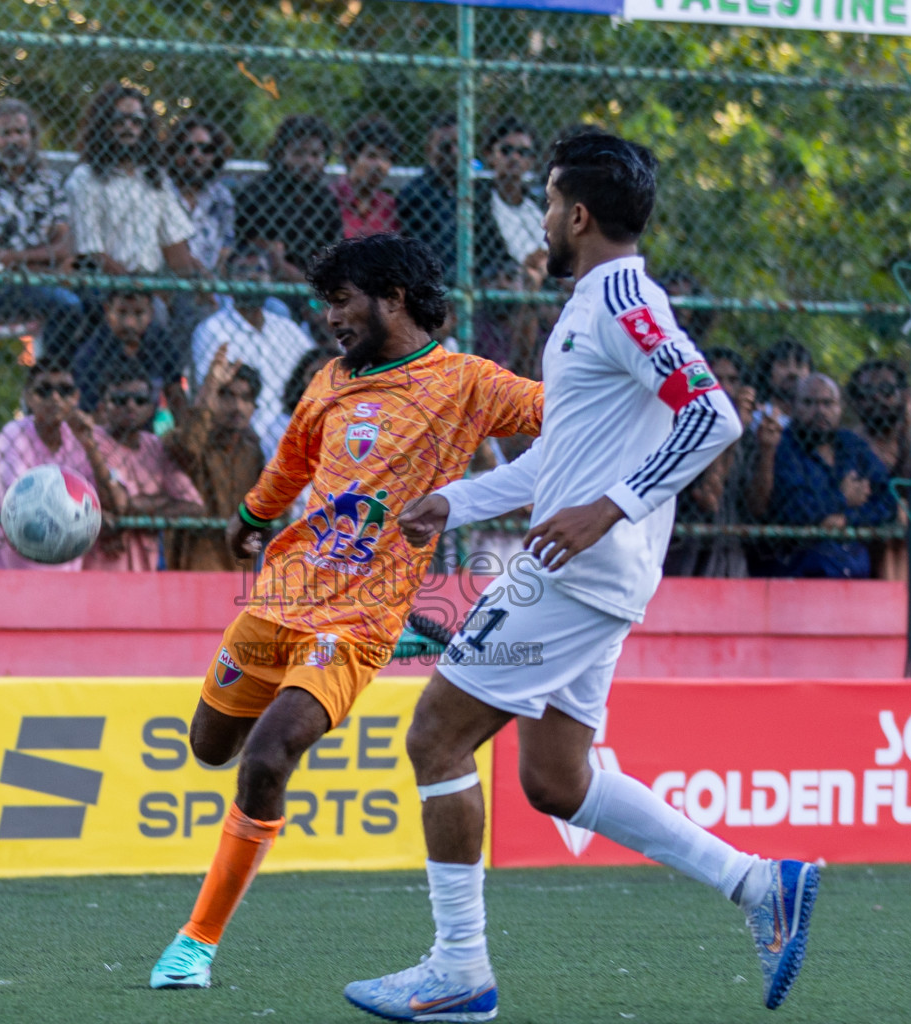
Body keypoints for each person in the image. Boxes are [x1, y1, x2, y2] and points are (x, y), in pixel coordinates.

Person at [345, 132, 814, 1022]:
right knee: (557, 779)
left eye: (551, 203)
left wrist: (612, 505)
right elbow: (558, 466)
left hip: (572, 571)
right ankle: (760, 885)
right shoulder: (596, 307)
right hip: (590, 570)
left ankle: (458, 970)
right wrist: (455, 498)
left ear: (579, 214)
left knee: (435, 736)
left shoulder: (622, 299)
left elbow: (711, 417)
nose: (544, 219)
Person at [148, 234, 544, 992]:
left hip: (358, 621)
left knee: (268, 758)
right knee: (210, 747)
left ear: (391, 297)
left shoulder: (465, 382)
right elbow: (294, 457)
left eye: (341, 300)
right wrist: (253, 514)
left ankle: (195, 944)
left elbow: (560, 415)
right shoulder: (330, 379)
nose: (330, 317)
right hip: (277, 600)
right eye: (326, 302)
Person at [0, 99, 83, 359]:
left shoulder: (50, 184)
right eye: (6, 133)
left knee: (101, 301)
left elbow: (65, 247)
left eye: (20, 132)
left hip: (49, 279)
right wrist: (46, 262)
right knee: (67, 306)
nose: (14, 140)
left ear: (32, 137)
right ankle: (49, 378)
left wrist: (15, 258)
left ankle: (82, 389)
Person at [0, 359, 127, 571]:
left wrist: (90, 444)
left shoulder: (83, 436)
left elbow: (117, 503)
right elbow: (24, 506)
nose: (55, 398)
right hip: (9, 570)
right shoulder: (13, 434)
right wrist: (96, 518)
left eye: (64, 391)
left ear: (76, 397)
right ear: (29, 397)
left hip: (65, 573)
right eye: (44, 390)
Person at [748, 373, 897, 578]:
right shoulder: (784, 447)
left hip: (855, 572)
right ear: (793, 408)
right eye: (809, 403)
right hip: (800, 570)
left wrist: (846, 518)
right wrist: (842, 497)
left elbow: (888, 500)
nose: (820, 411)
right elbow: (793, 510)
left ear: (840, 408)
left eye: (828, 403)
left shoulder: (852, 445)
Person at [189, 246, 317, 456]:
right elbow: (212, 394)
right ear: (229, 280)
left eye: (259, 269)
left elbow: (316, 374)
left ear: (270, 278)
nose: (252, 277)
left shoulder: (286, 328)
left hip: (292, 435)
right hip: (239, 438)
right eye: (242, 270)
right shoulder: (212, 329)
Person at [66, 82, 199, 281]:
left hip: (150, 282)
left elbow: (174, 245)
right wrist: (134, 287)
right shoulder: (85, 178)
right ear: (104, 125)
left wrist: (200, 284)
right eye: (119, 121)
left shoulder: (155, 179)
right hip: (101, 283)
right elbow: (91, 251)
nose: (128, 127)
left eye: (136, 122)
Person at [82, 372, 204, 572]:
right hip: (99, 569)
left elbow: (194, 506)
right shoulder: (90, 441)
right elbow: (117, 503)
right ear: (103, 406)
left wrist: (133, 514)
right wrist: (161, 502)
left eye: (140, 400)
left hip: (145, 569)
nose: (131, 406)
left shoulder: (155, 446)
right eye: (120, 400)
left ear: (150, 408)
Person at [163, 346, 268, 572]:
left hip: (240, 568)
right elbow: (188, 448)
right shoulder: (192, 440)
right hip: (195, 566)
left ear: (254, 406)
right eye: (226, 395)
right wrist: (211, 386)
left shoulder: (252, 452)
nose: (237, 407)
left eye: (245, 398)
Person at [663, 346, 754, 577]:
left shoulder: (752, 434)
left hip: (732, 546)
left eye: (732, 380)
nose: (725, 387)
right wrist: (728, 436)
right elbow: (708, 498)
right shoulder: (682, 425)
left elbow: (758, 503)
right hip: (689, 547)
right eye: (716, 378)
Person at [395, 112, 508, 281]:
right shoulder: (415, 194)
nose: (454, 152)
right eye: (446, 146)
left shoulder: (476, 192)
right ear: (429, 149)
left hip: (479, 281)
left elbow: (494, 246)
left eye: (459, 145)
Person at [234, 115, 342, 284]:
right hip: (267, 286)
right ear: (280, 154)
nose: (308, 162)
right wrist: (311, 288)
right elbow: (272, 260)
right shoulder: (257, 194)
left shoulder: (326, 200)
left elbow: (333, 256)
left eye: (316, 154)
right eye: (299, 153)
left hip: (315, 286)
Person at [71, 288, 186, 413]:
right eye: (122, 312)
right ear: (107, 310)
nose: (129, 323)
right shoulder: (91, 352)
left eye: (138, 313)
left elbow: (175, 394)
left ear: (151, 313)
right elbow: (86, 411)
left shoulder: (160, 342)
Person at [848, 359, 911, 582]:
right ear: (856, 401)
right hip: (865, 523)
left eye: (886, 390)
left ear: (903, 395)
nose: (877, 398)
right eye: (867, 392)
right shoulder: (850, 442)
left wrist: (910, 425)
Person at [166, 116, 236, 274]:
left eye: (206, 149)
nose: (196, 155)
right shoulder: (162, 192)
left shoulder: (221, 197)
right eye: (187, 148)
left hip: (210, 284)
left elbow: (225, 247)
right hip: (163, 284)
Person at [482, 116, 547, 286]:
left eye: (523, 152)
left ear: (531, 161)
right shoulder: (478, 205)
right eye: (506, 150)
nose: (515, 157)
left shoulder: (540, 205)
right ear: (490, 155)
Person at [334, 116, 401, 239]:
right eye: (371, 156)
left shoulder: (390, 206)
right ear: (351, 158)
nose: (380, 165)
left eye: (386, 158)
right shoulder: (331, 198)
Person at [749, 336, 811, 430]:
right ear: (768, 371)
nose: (792, 372)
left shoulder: (816, 420)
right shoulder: (754, 415)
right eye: (784, 364)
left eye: (799, 365)